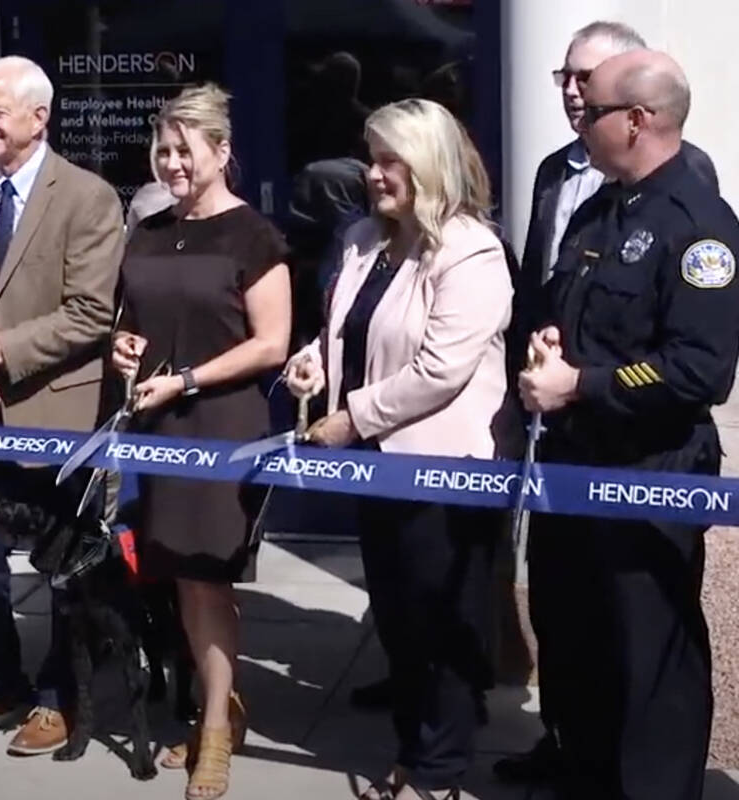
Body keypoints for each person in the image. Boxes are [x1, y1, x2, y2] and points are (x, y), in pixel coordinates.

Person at [498, 20, 719, 786]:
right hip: (573, 463)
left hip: (649, 470)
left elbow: (699, 372)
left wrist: (582, 384)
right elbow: (567, 307)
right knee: (578, 637)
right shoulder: (600, 211)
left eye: (591, 110)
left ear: (637, 120)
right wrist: (550, 351)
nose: (577, 119)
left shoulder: (697, 226)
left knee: (649, 653)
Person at [286, 98, 514, 800]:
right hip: (380, 469)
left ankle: (437, 773)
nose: (375, 174)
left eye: (391, 161)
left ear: (430, 166)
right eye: (372, 158)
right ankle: (417, 746)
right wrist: (314, 363)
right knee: (399, 620)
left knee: (440, 628)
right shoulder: (363, 238)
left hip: (443, 471)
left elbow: (440, 369)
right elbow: (351, 332)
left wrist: (352, 417)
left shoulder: (471, 250)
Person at [0, 56, 124, 754]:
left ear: (39, 117)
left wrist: (5, 347)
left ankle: (57, 694)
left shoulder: (89, 197)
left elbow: (91, 312)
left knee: (63, 565)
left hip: (57, 414)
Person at [112, 83, 292, 800]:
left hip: (219, 427)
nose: (172, 163)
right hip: (154, 423)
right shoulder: (149, 230)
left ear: (222, 152)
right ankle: (221, 703)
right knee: (181, 577)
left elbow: (272, 344)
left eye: (186, 150)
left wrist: (185, 381)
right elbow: (130, 318)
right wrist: (123, 348)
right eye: (164, 149)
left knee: (208, 576)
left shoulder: (254, 236)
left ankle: (213, 727)